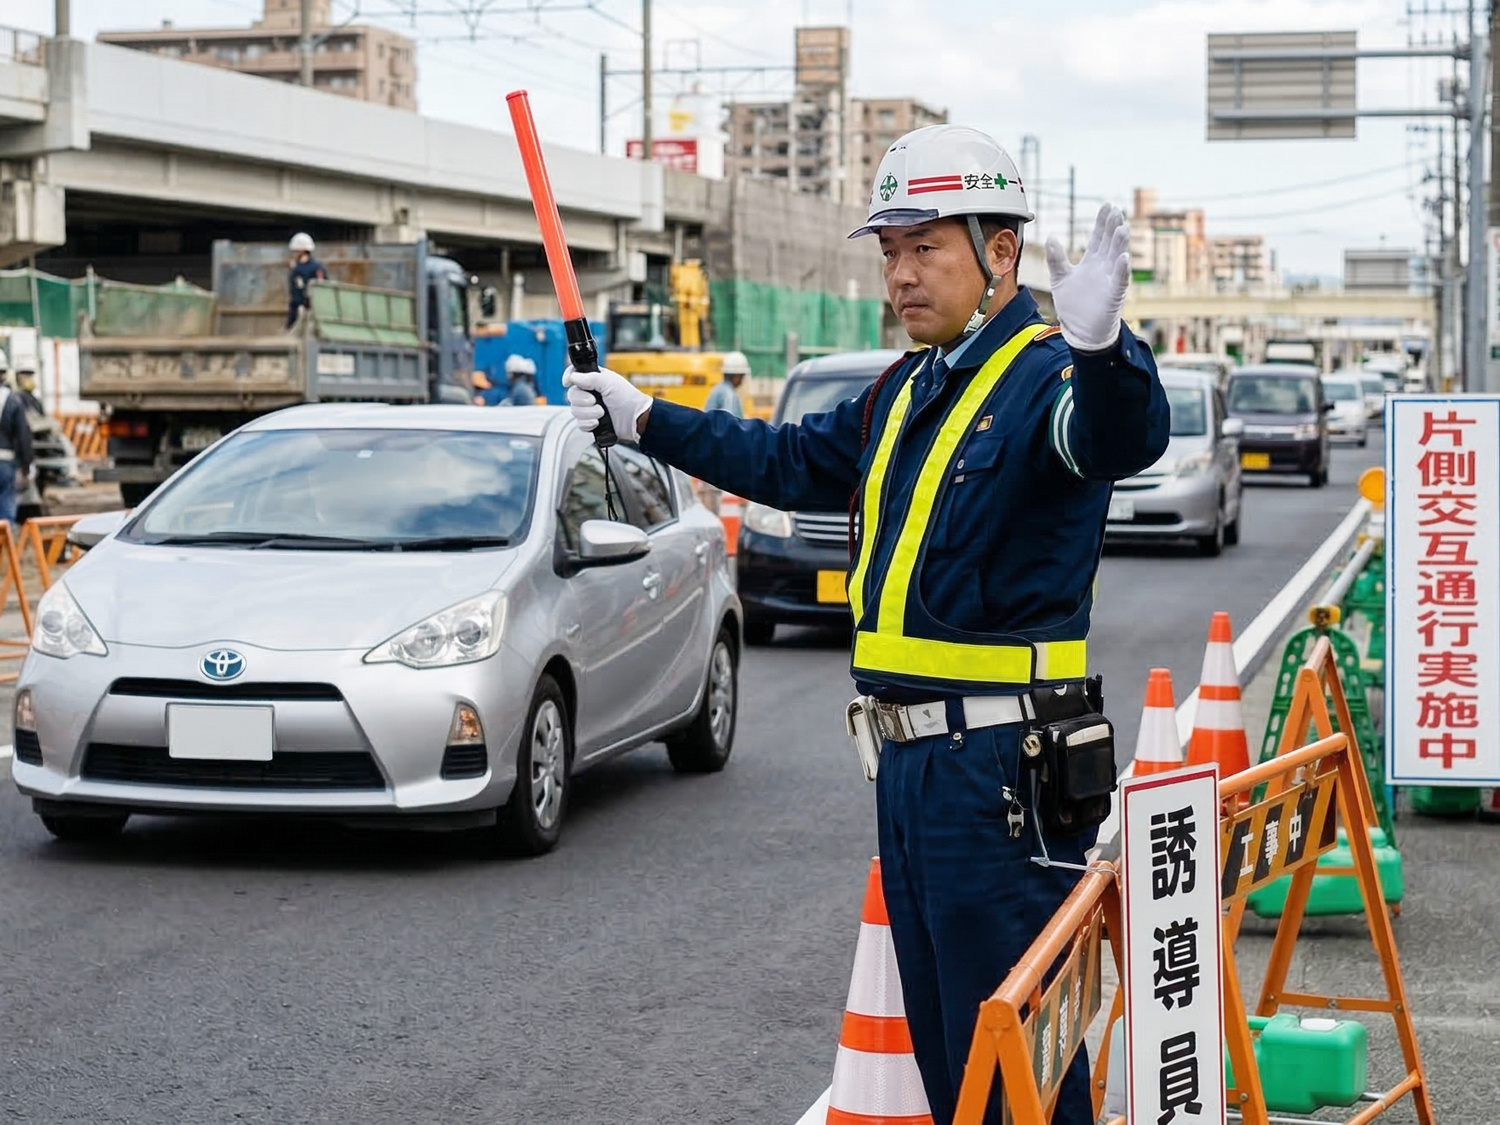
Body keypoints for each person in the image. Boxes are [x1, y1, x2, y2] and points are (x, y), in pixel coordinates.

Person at [566, 124, 1168, 1125]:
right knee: (951, 1062)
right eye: (890, 251)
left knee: (1012, 1059)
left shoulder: (1048, 378)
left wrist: (1106, 350)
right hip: (913, 768)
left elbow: (1118, 438)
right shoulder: (905, 387)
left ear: (1002, 252)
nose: (901, 275)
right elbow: (786, 461)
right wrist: (645, 419)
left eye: (925, 247)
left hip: (1001, 771)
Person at [0, 358, 35, 527]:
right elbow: (23, 435)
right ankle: (4, 540)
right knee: (6, 504)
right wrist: (26, 465)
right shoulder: (12, 400)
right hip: (5, 461)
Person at [286, 232, 327, 328]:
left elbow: (322, 287)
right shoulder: (296, 268)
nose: (294, 254)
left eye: (296, 251)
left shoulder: (315, 268)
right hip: (298, 308)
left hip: (312, 309)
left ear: (302, 251)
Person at [703, 350, 749, 417]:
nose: (741, 381)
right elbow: (730, 420)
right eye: (742, 376)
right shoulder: (728, 394)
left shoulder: (718, 388)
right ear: (736, 376)